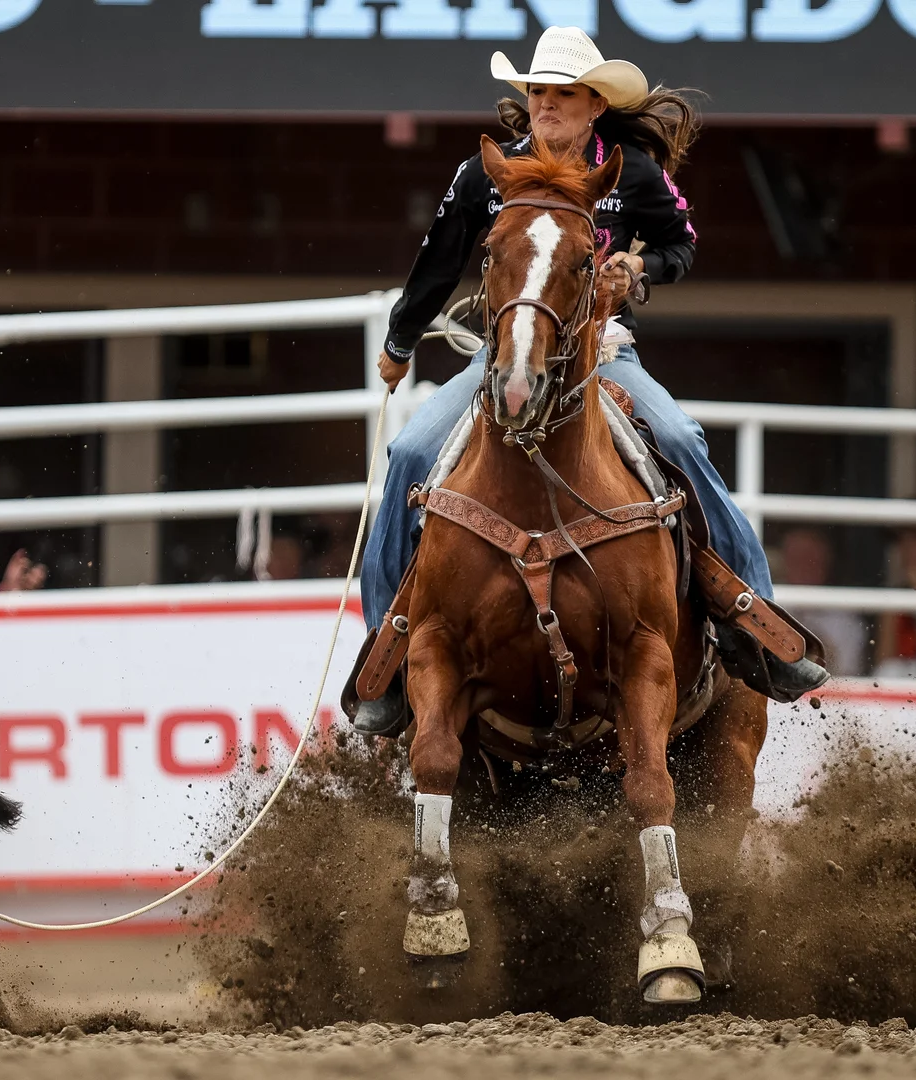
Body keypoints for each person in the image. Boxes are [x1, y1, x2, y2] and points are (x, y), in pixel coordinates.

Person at [351, 26, 828, 735]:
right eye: (537, 91)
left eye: (563, 93)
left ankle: (750, 618)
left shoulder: (632, 174)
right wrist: (399, 339)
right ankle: (388, 650)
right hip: (504, 355)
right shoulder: (484, 174)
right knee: (412, 451)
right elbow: (439, 261)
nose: (546, 103)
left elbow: (680, 243)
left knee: (680, 437)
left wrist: (639, 269)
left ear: (596, 103)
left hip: (603, 350)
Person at [779, 528, 867, 677]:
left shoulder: (847, 619)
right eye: (796, 559)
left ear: (826, 563)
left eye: (810, 559)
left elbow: (847, 678)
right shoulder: (768, 604)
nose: (803, 567)